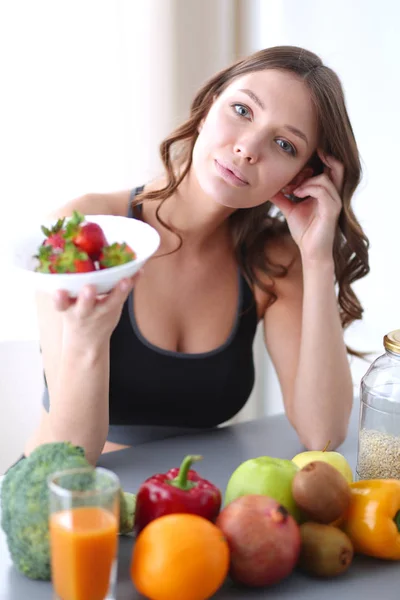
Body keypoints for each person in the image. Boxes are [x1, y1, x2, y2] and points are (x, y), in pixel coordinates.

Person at [24, 45, 369, 466]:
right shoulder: (86, 228)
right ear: (208, 107)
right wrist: (86, 341)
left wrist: (317, 259)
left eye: (284, 144)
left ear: (300, 176)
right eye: (242, 111)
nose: (247, 148)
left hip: (188, 512)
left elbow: (323, 431)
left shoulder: (274, 259)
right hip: (64, 501)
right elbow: (72, 457)